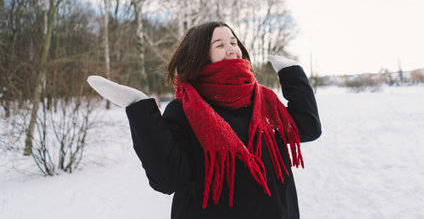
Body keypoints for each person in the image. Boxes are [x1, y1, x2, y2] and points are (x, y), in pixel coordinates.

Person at [87, 21, 321, 219]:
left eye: (233, 42)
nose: (232, 49)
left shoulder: (263, 101)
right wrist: (139, 109)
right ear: (199, 57)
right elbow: (169, 178)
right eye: (219, 45)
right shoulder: (185, 108)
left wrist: (293, 73)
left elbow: (308, 128)